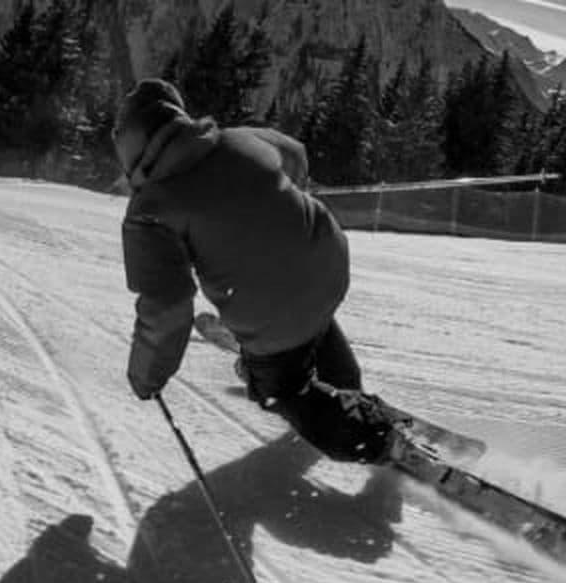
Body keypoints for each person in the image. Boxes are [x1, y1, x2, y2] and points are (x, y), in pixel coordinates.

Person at [112, 78, 396, 464]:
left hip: (274, 313)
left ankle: (373, 438)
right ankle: (343, 383)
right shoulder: (240, 139)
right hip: (328, 263)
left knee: (280, 389)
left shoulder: (150, 210)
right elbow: (295, 154)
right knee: (308, 311)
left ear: (128, 143)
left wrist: (147, 378)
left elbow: (167, 307)